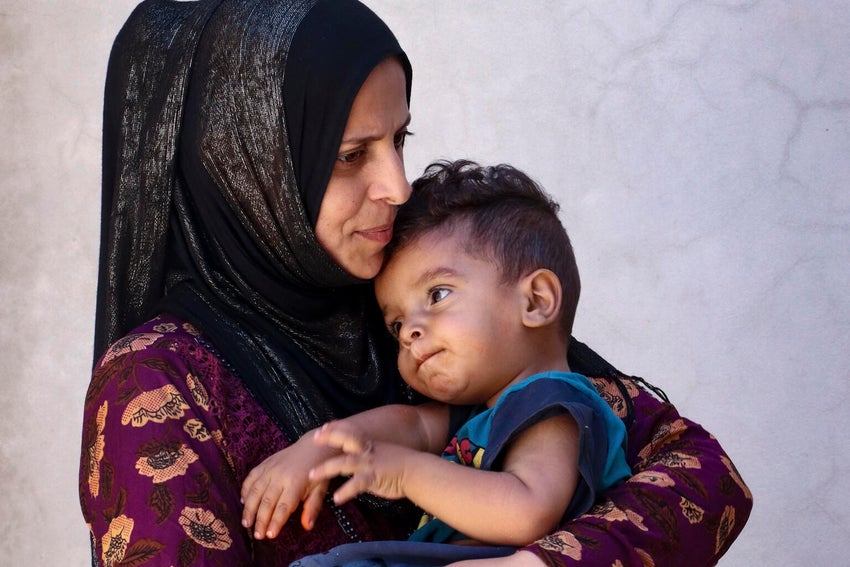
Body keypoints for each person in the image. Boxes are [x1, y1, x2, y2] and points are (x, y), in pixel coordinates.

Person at [79, 1, 752, 566]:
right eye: (351, 156)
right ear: (249, 172)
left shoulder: (430, 301)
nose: (397, 186)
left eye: (400, 139)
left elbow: (707, 478)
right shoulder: (159, 379)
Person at [241, 160, 633, 566]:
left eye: (438, 294)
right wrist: (318, 448)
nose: (410, 331)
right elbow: (410, 425)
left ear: (535, 301)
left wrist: (408, 473)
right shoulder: (481, 411)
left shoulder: (555, 405)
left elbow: (527, 511)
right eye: (396, 325)